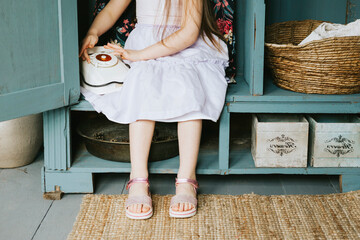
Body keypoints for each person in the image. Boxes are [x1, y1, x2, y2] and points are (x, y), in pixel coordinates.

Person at [79, 0, 229, 219]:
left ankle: (187, 178)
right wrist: (93, 32)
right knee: (142, 86)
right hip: (145, 41)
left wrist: (140, 55)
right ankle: (138, 178)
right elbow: (112, 9)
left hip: (184, 45)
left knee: (189, 89)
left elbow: (188, 33)